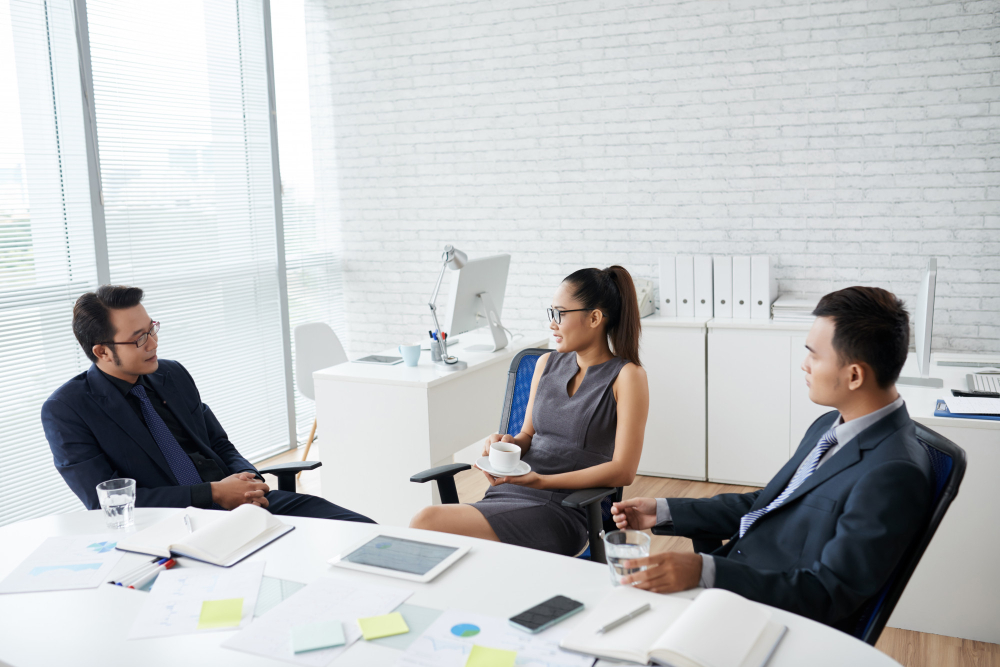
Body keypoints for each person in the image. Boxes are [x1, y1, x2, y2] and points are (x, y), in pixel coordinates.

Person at [611, 286, 933, 631]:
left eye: (814, 355)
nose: (804, 364)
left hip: (770, 617)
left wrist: (706, 571)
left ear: (854, 375)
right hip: (737, 582)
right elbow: (767, 503)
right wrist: (663, 510)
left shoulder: (894, 473)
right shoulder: (831, 423)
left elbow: (827, 594)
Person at [42, 285, 373, 523]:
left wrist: (248, 480)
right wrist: (213, 493)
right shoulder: (67, 410)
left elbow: (218, 442)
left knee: (361, 530)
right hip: (177, 524)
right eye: (139, 338)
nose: (153, 342)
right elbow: (106, 503)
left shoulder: (171, 374)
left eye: (152, 329)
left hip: (243, 503)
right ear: (102, 351)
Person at [410, 266, 649, 556]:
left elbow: (623, 471)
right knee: (448, 543)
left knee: (427, 522)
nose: (552, 324)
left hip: (564, 509)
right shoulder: (545, 364)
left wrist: (542, 481)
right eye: (551, 314)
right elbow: (528, 434)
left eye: (560, 314)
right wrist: (508, 444)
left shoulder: (627, 376)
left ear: (595, 318)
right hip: (512, 492)